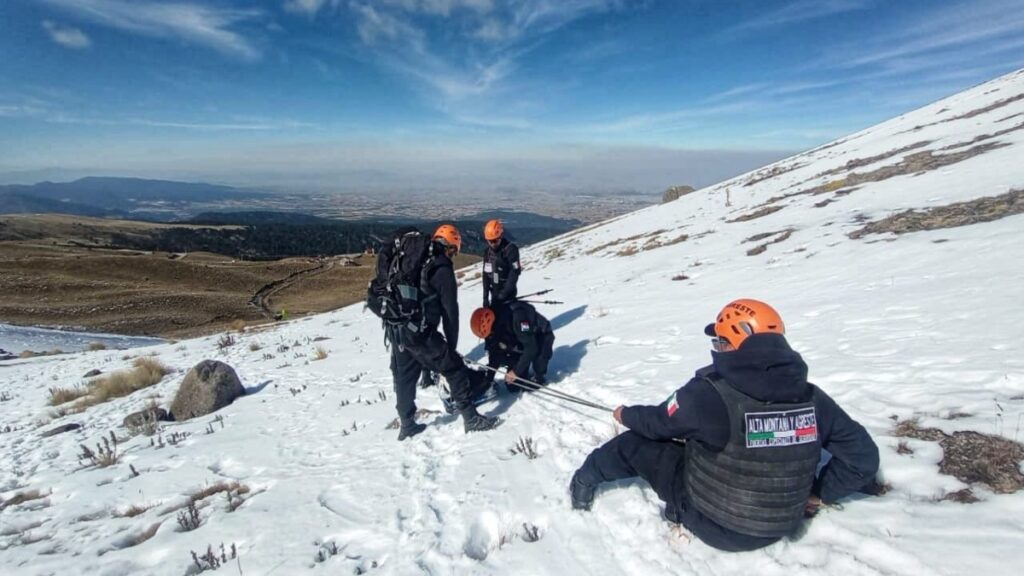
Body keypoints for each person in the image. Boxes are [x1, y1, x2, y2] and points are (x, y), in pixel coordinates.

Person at [569, 299, 879, 552]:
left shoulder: (708, 392)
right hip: (781, 526)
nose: (717, 347)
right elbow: (863, 457)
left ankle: (583, 481)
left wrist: (626, 415)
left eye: (720, 340)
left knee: (633, 445)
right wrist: (818, 493)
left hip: (715, 525)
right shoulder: (812, 397)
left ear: (733, 343)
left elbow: (657, 424)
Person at [388, 224, 498, 439]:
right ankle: (471, 418)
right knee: (454, 369)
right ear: (451, 246)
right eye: (455, 251)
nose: (454, 255)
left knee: (404, 377)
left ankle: (407, 424)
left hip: (398, 329)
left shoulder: (413, 260)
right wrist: (451, 347)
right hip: (420, 333)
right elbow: (450, 314)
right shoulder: (441, 269)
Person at [470, 302, 555, 391]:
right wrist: (489, 378)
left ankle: (539, 377)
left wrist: (516, 371)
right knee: (514, 386)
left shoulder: (518, 318)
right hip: (520, 340)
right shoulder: (495, 327)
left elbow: (531, 348)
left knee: (539, 360)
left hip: (541, 335)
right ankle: (521, 366)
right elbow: (494, 353)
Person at [482, 219, 521, 313]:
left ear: (501, 236)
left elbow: (515, 272)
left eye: (495, 241)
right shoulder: (488, 253)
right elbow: (486, 275)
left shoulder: (510, 250)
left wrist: (504, 294)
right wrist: (485, 297)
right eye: (489, 241)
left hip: (508, 293)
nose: (492, 244)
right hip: (494, 292)